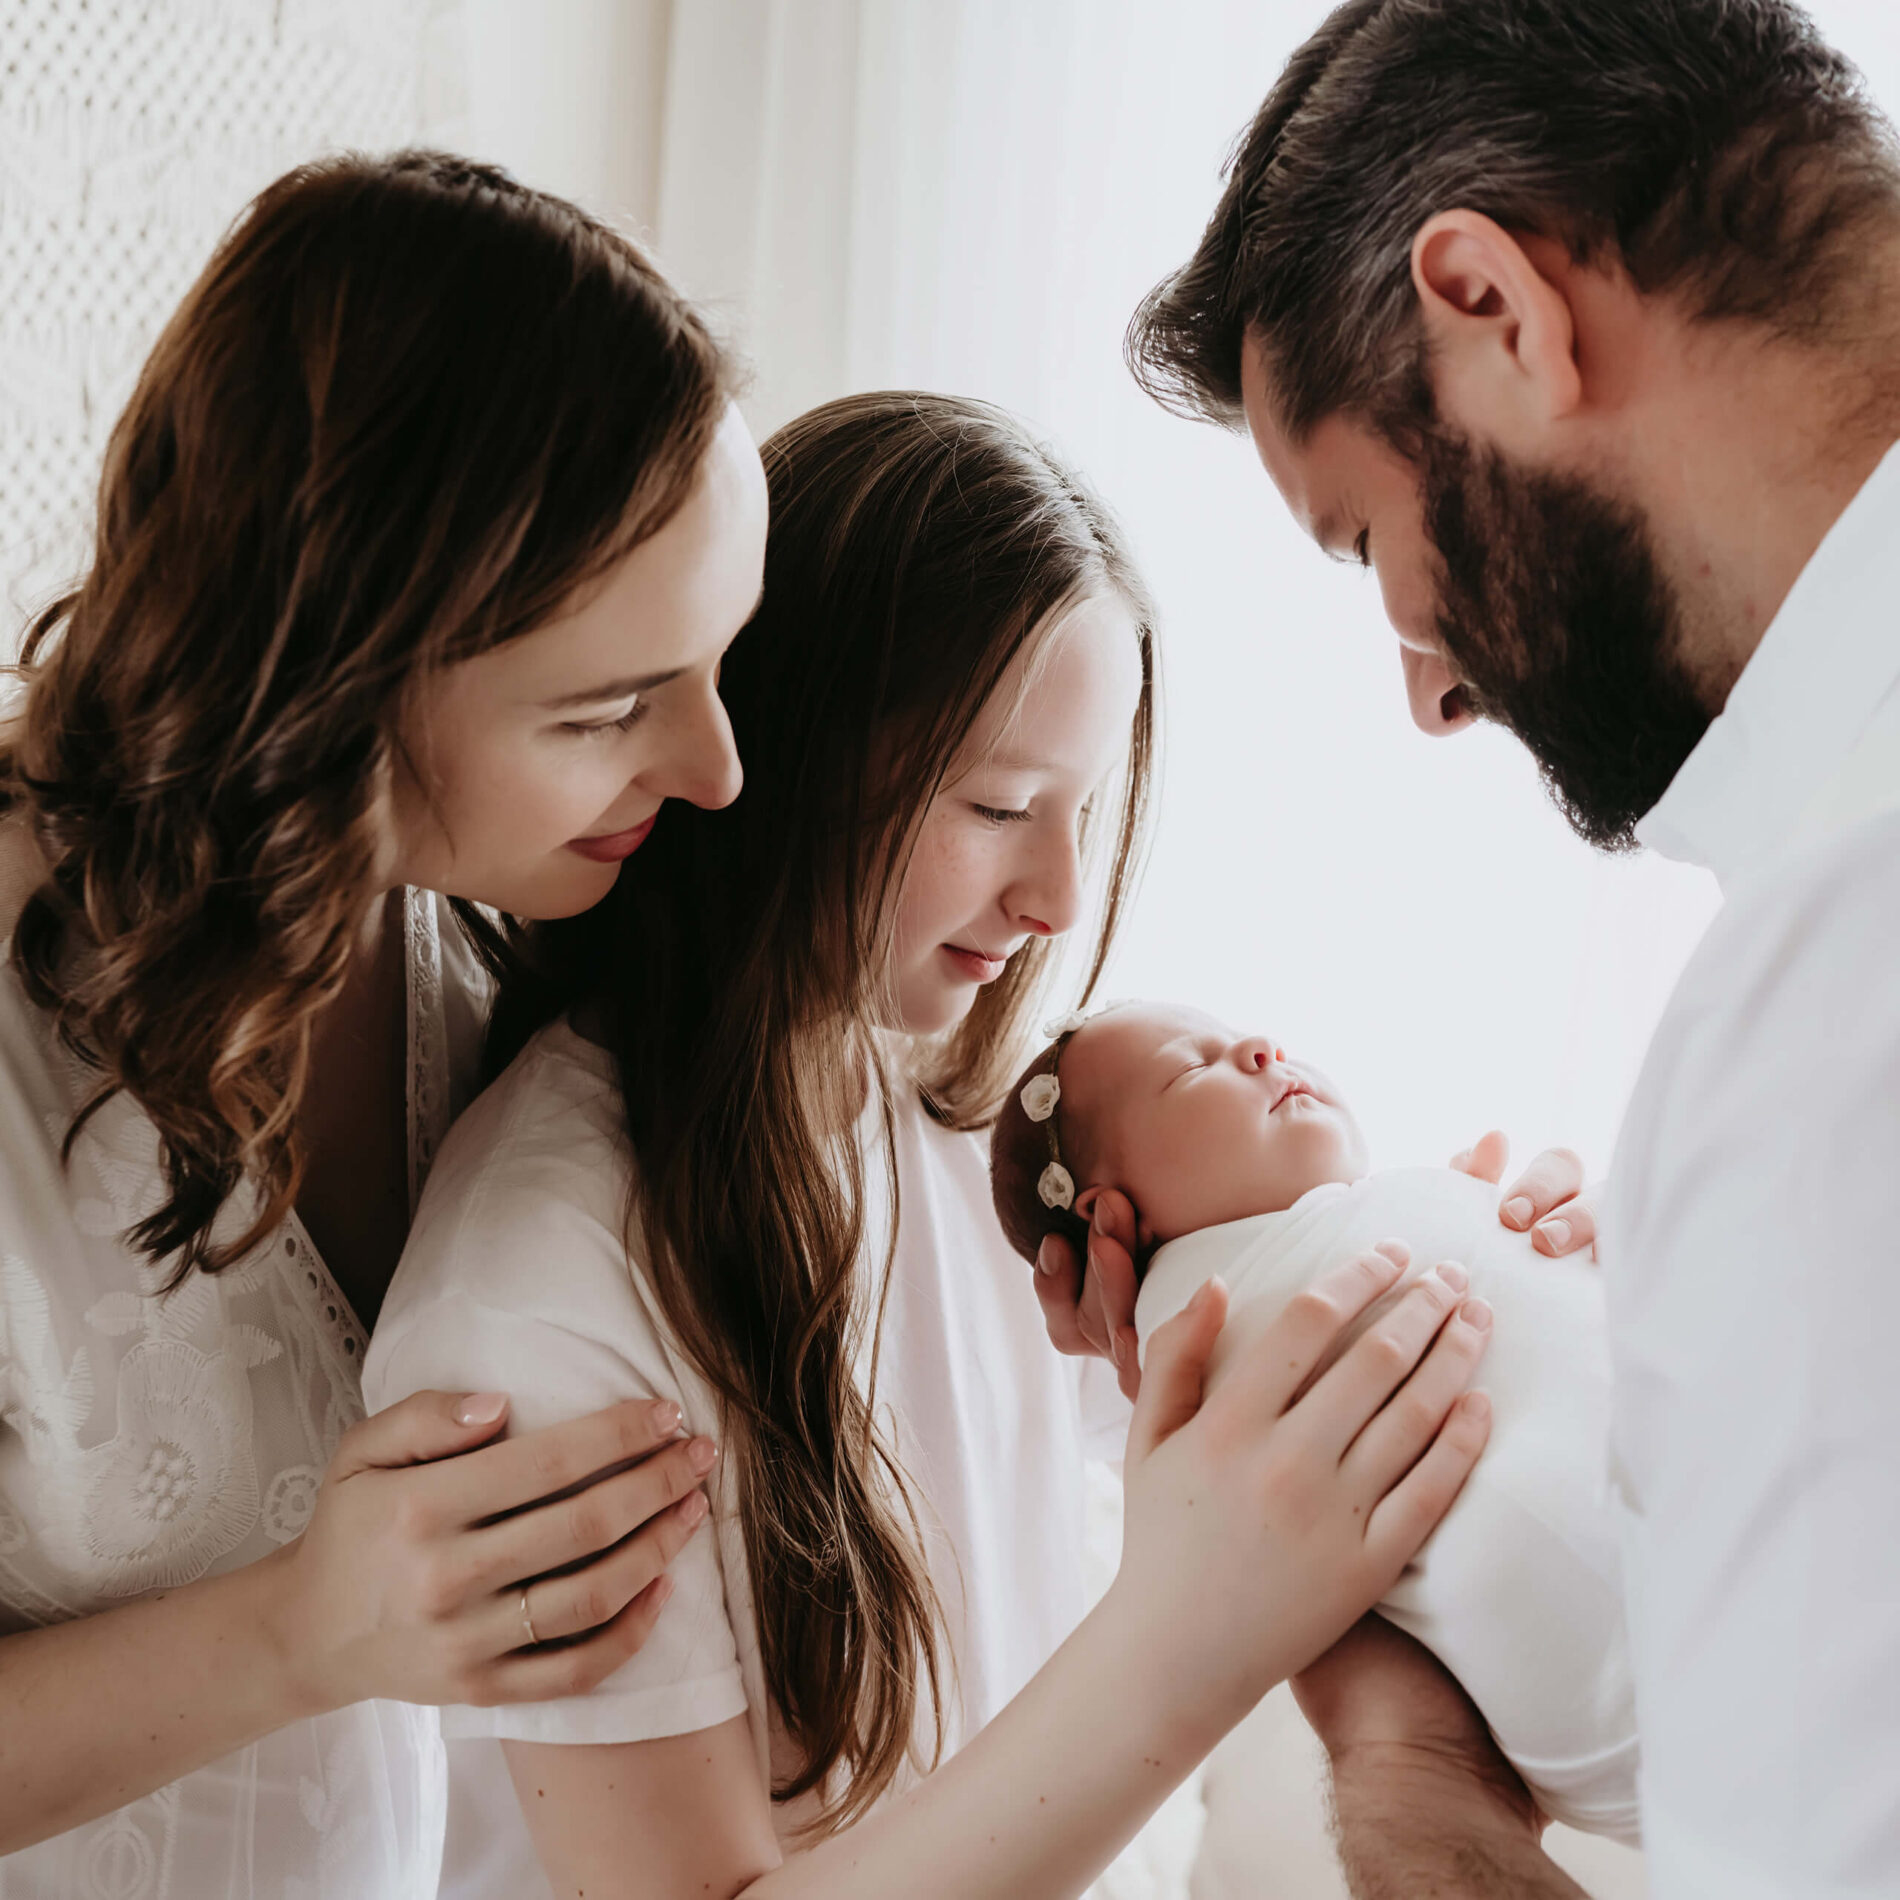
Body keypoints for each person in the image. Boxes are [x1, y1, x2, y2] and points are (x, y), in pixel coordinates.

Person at [365, 390, 1500, 1899]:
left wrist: (1479, 1275)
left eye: (1081, 812)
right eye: (999, 806)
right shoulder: (547, 1283)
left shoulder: (960, 1131)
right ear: (788, 750)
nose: (1056, 898)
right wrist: (1183, 1638)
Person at [1099, 1, 1900, 1891]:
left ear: (1497, 313)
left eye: (1366, 542)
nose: (1431, 691)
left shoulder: (1819, 1009)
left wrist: (1403, 1762)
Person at [0, 150, 767, 1898]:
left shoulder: (487, 933)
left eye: (721, 660)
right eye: (610, 709)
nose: (717, 768)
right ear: (333, 674)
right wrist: (298, 1634)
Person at [991, 1000, 1637, 1843]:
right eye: (1194, 1069)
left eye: (1248, 1039)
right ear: (1116, 1220)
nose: (1262, 1048)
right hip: (1619, 1675)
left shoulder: (1430, 1205)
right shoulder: (1202, 1330)